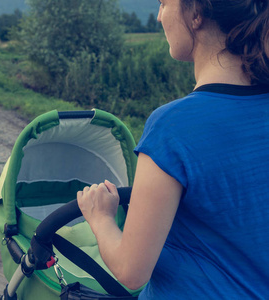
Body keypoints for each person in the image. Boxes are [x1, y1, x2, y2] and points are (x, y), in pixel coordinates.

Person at [77, 0, 269, 298]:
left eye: (164, 3)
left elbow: (131, 270)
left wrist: (100, 217)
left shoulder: (173, 126)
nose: (158, 16)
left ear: (195, 14)